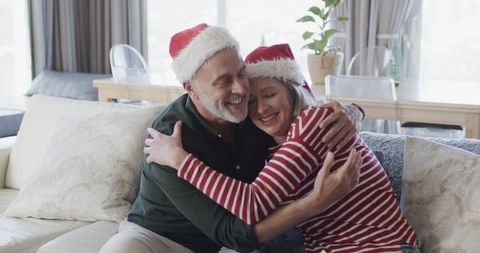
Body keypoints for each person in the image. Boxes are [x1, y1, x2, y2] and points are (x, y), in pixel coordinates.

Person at [100, 24, 362, 253]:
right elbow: (232, 232)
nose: (241, 89)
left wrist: (353, 112)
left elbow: (300, 108)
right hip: (158, 240)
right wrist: (314, 203)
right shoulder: (167, 141)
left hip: (224, 246)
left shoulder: (252, 112)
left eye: (241, 74)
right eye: (224, 81)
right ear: (191, 88)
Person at [144, 43, 419, 252]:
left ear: (292, 91)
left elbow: (251, 205)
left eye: (270, 95)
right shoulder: (269, 139)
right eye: (251, 101)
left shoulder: (313, 124)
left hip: (381, 246)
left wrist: (180, 160)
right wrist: (354, 110)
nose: (260, 109)